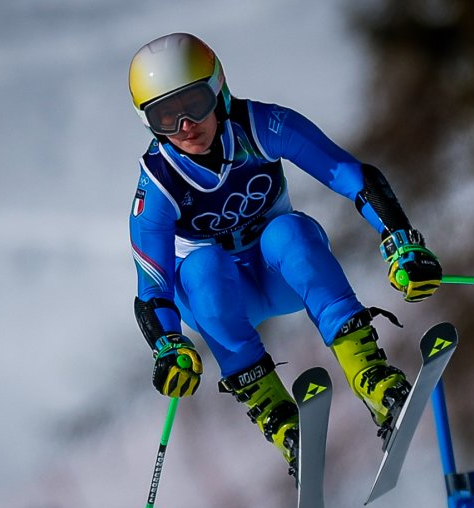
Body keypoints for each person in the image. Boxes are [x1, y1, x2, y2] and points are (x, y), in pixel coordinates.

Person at [127, 33, 442, 478]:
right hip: (221, 301)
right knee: (201, 266)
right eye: (165, 116)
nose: (185, 126)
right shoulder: (157, 185)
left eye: (194, 104)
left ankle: (373, 379)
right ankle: (281, 422)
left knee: (289, 231)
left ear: (218, 89)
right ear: (149, 123)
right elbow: (152, 286)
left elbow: (348, 173)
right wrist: (168, 345)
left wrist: (401, 240)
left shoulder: (261, 126)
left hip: (284, 275)